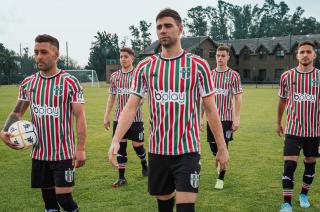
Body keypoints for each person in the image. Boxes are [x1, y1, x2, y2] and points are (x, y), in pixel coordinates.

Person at [108, 8, 229, 212]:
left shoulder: (198, 65)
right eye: (159, 27)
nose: (162, 30)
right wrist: (115, 139)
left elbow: (210, 109)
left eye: (168, 26)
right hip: (158, 150)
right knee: (164, 205)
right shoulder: (146, 66)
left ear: (180, 29)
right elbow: (130, 107)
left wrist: (222, 148)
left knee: (185, 208)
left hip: (187, 150)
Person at [0, 34, 87, 212]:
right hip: (39, 154)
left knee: (64, 199)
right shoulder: (28, 83)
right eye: (36, 52)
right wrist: (4, 131)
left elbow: (80, 116)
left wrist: (80, 148)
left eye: (44, 52)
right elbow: (17, 112)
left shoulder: (70, 82)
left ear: (56, 55)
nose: (39, 56)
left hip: (63, 154)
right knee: (49, 203)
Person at [277, 40, 320, 212]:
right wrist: (278, 122)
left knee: (310, 163)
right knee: (289, 165)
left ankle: (303, 195)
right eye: (302, 52)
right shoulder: (287, 76)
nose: (305, 55)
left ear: (314, 55)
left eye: (308, 52)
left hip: (314, 130)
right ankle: (286, 203)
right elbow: (281, 101)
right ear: (297, 55)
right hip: (293, 129)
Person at [104, 47, 148, 188]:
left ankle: (144, 163)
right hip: (119, 118)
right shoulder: (115, 76)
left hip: (136, 119)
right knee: (120, 147)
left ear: (132, 58)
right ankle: (121, 177)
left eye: (126, 56)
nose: (123, 59)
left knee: (137, 147)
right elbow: (111, 97)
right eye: (121, 56)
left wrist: (141, 100)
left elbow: (145, 93)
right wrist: (106, 115)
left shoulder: (138, 74)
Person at [201, 45, 242, 190]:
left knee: (223, 146)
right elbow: (203, 99)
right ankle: (220, 163)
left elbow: (238, 97)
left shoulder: (233, 75)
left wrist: (236, 118)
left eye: (223, 56)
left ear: (228, 57)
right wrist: (200, 117)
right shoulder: (209, 75)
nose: (220, 58)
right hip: (211, 119)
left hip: (226, 119)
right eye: (218, 55)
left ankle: (221, 178)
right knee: (214, 148)